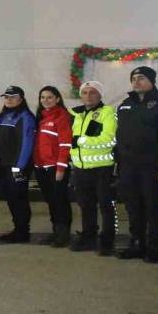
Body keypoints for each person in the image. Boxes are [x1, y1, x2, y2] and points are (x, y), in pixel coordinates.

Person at [115, 66, 158, 263]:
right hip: (129, 166)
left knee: (154, 208)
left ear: (152, 81)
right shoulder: (125, 105)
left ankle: (153, 247)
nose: (136, 81)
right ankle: (137, 243)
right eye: (133, 78)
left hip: (152, 167)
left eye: (141, 78)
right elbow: (120, 135)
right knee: (133, 207)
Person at [69, 81, 118, 255]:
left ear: (100, 95)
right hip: (80, 168)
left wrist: (81, 141)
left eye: (93, 92)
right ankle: (89, 236)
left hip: (102, 168)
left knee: (106, 206)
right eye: (85, 93)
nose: (88, 96)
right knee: (85, 205)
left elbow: (109, 139)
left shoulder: (108, 112)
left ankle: (108, 240)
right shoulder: (76, 114)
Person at [0, 86, 37, 243]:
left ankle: (23, 232)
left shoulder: (25, 117)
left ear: (21, 99)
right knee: (11, 197)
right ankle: (18, 229)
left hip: (17, 168)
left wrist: (19, 167)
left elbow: (27, 143)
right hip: (3, 166)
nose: (9, 100)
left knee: (19, 197)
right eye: (6, 97)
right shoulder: (2, 116)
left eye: (13, 97)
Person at [34, 86, 74, 248]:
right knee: (51, 201)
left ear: (57, 99)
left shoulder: (62, 116)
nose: (45, 100)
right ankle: (56, 231)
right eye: (42, 97)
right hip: (41, 166)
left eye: (49, 97)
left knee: (60, 201)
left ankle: (64, 234)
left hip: (55, 168)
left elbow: (65, 144)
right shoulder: (41, 117)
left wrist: (61, 168)